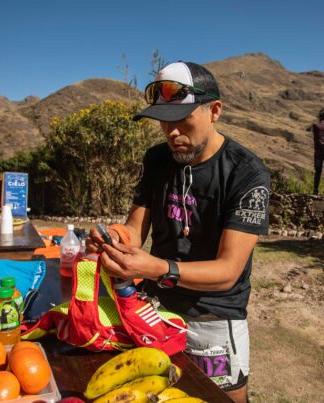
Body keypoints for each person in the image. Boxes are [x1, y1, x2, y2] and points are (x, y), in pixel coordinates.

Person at [88, 61, 270, 403]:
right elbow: (134, 229)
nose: (172, 132)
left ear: (214, 111)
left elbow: (227, 272)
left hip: (213, 317)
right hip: (154, 308)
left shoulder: (246, 173)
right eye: (164, 120)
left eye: (182, 120)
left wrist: (155, 268)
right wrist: (113, 239)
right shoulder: (158, 159)